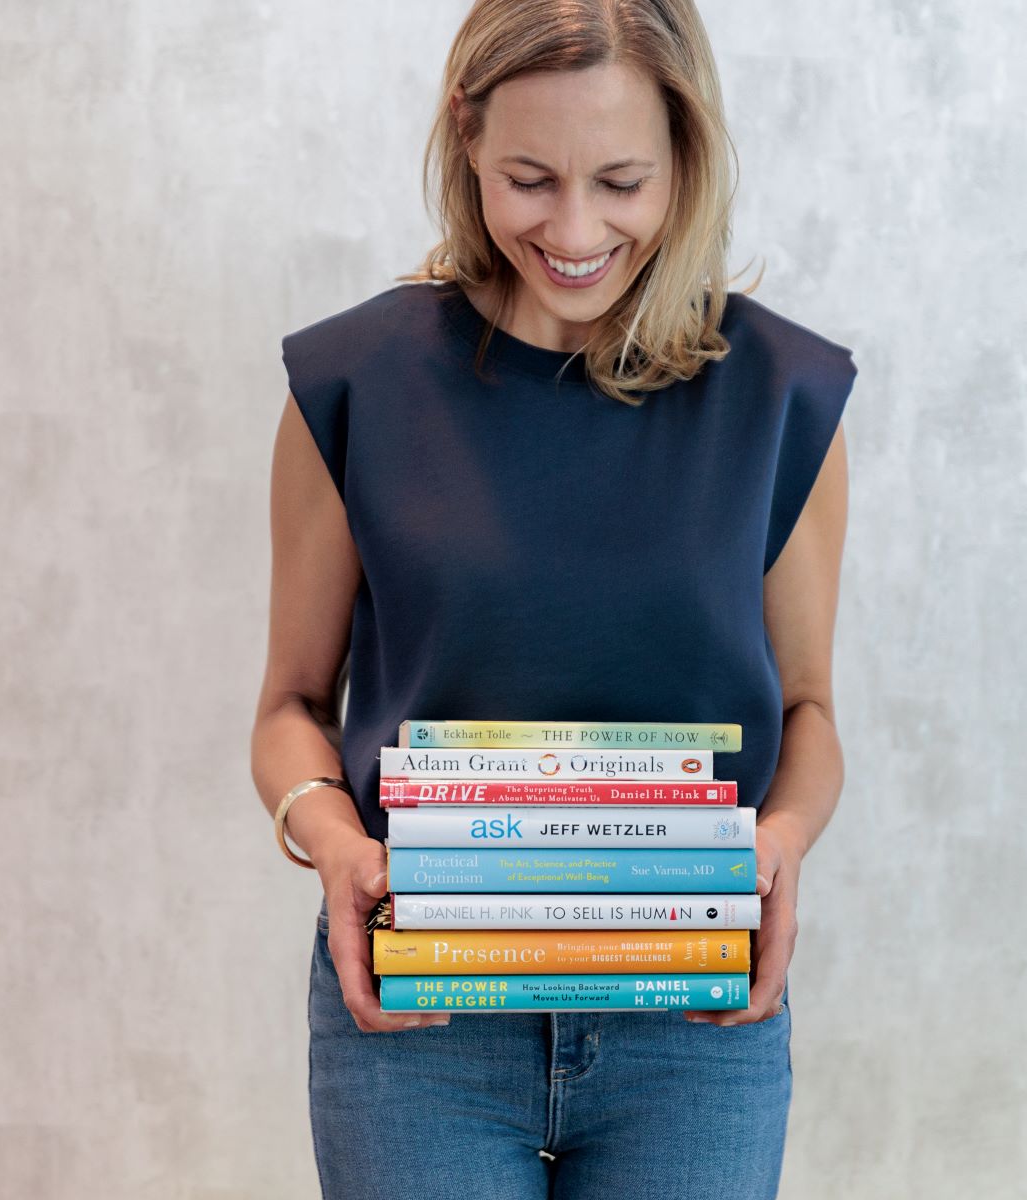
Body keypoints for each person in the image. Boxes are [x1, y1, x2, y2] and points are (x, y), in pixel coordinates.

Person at [250, 2, 857, 1195]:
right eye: (530, 178)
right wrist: (330, 842)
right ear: (466, 137)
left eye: (622, 181)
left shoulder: (783, 398)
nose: (575, 230)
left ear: (685, 158)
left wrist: (780, 844)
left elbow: (812, 712)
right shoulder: (356, 385)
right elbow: (290, 704)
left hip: (690, 1026)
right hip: (420, 1022)